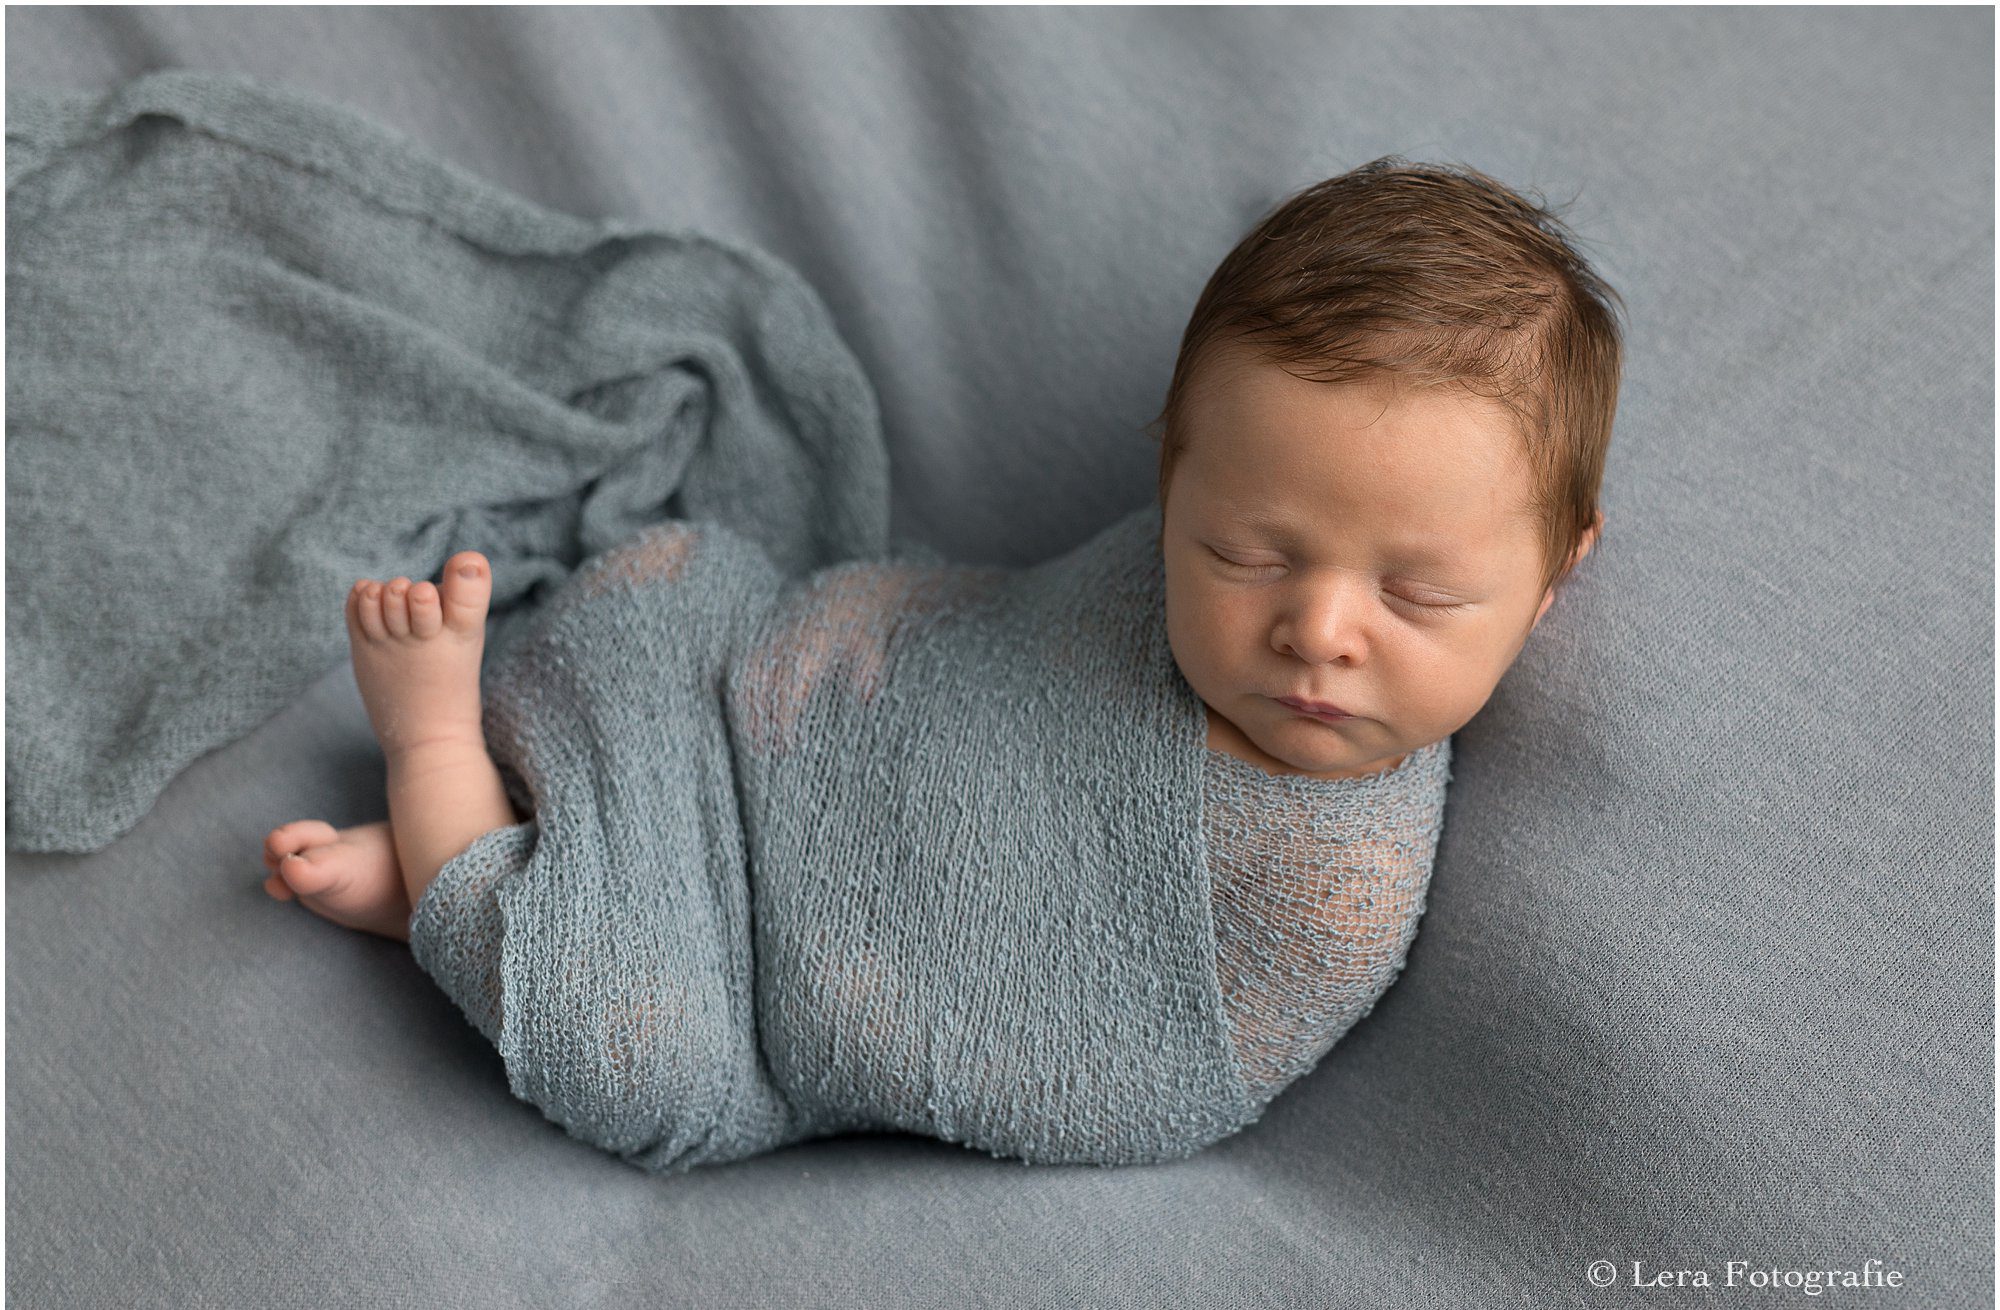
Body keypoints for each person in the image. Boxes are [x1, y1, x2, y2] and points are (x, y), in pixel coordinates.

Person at [258, 155, 1623, 1159]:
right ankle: (512, 849)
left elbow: (1145, 1074)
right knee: (661, 587)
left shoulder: (1333, 882)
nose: (1318, 627)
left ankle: (443, 778)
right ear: (1175, 482)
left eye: (1419, 592)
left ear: (1553, 578)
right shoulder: (1155, 567)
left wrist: (867, 998)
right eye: (1247, 553)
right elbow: (975, 643)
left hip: (751, 990)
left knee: (625, 1056)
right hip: (750, 717)